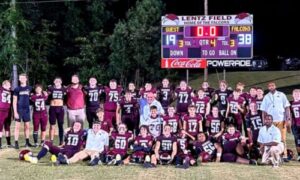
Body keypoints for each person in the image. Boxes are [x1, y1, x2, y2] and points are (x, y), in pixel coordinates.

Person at [260, 82, 291, 161]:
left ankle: (284, 155)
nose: (271, 87)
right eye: (269, 86)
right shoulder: (266, 97)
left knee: (282, 139)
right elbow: (263, 111)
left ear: (275, 86)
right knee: (271, 139)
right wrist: (264, 123)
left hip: (281, 120)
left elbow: (287, 107)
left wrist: (288, 118)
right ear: (268, 87)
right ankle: (272, 155)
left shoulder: (281, 94)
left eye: (272, 85)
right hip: (270, 122)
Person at [13, 73, 33, 149]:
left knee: (27, 126)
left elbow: (36, 94)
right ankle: (16, 142)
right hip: (19, 110)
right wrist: (15, 112)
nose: (21, 79)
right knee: (17, 126)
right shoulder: (17, 89)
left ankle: (27, 142)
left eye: (23, 78)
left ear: (26, 79)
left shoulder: (30, 88)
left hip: (27, 110)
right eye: (20, 78)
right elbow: (14, 101)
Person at [47, 77, 66, 145]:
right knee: (52, 125)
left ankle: (61, 140)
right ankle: (51, 141)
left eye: (59, 81)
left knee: (60, 125)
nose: (57, 81)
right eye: (56, 80)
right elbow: (47, 96)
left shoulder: (64, 89)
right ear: (54, 82)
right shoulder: (50, 88)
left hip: (60, 108)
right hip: (53, 108)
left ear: (61, 82)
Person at [0, 80, 12, 148]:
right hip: (1, 110)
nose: (10, 86)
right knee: (0, 127)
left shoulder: (10, 91)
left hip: (8, 111)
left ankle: (8, 143)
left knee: (7, 127)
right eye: (8, 84)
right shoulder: (1, 89)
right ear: (4, 85)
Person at [290, 89, 300, 161]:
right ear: (292, 95)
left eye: (298, 94)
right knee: (297, 140)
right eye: (295, 94)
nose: (296, 95)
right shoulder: (291, 103)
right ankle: (299, 155)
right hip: (295, 125)